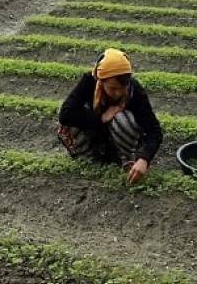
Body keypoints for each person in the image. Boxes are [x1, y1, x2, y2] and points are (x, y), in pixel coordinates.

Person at [56, 48, 162, 184]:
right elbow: (65, 114)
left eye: (122, 88)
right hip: (95, 134)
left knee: (122, 119)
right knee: (68, 124)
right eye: (112, 88)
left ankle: (126, 158)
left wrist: (144, 159)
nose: (118, 93)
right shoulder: (89, 81)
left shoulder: (135, 92)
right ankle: (91, 158)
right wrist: (100, 119)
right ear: (101, 81)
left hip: (118, 138)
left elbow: (154, 130)